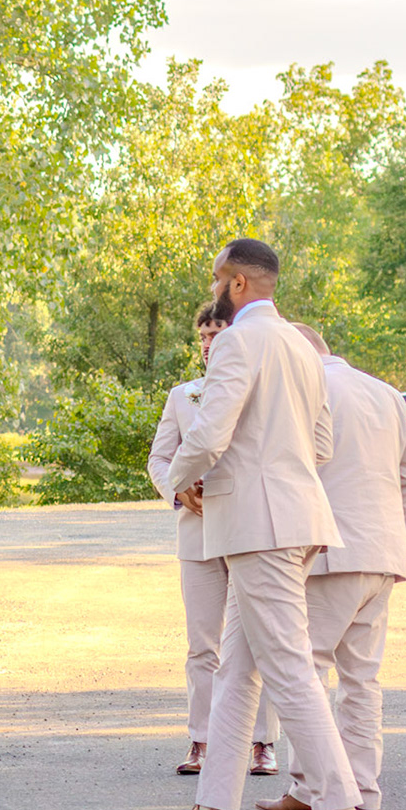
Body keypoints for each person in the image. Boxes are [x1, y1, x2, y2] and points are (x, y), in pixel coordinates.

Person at [168, 238, 364, 810]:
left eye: (216, 280)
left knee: (286, 663)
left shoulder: (238, 341)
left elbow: (210, 432)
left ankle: (338, 806)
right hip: (293, 518)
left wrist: (181, 478)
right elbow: (322, 444)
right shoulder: (303, 348)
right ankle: (213, 803)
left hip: (260, 526)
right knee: (238, 666)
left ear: (238, 283)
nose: (213, 291)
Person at [253, 324, 406, 810]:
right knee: (362, 679)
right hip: (382, 557)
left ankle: (314, 789)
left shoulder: (303, 389)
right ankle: (364, 789)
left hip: (325, 554)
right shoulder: (386, 394)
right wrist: (397, 542)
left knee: (304, 671)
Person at [148, 302, 283, 778]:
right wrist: (179, 490)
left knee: (259, 639)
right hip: (198, 534)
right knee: (202, 644)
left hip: (248, 528)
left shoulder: (259, 391)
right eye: (202, 336)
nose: (208, 344)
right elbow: (160, 459)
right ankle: (201, 740)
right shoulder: (181, 396)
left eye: (216, 333)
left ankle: (262, 742)